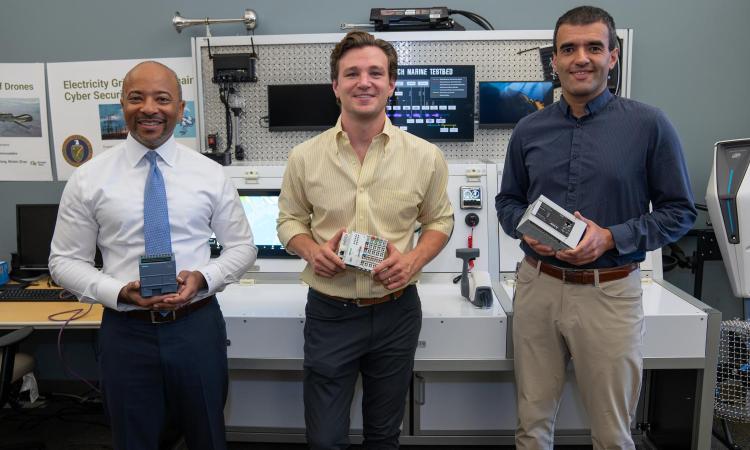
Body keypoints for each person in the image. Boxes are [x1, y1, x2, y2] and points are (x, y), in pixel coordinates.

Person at [495, 6, 696, 449]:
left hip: (610, 292)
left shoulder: (649, 125)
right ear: (555, 60)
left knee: (611, 434)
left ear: (613, 56)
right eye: (568, 48)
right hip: (537, 287)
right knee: (531, 426)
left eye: (593, 47)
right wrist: (521, 229)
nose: (580, 58)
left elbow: (680, 211)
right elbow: (507, 201)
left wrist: (610, 237)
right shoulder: (529, 130)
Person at [49, 61, 257, 450]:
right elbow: (63, 261)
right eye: (136, 98)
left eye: (162, 99)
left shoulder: (210, 174)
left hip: (196, 327)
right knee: (133, 439)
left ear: (180, 108)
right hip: (126, 332)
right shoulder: (89, 179)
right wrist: (117, 291)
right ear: (121, 106)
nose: (149, 108)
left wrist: (203, 278)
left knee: (207, 437)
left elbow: (242, 246)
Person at [277, 31, 454, 449]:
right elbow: (288, 221)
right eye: (352, 73)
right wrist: (311, 250)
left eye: (376, 72)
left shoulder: (425, 156)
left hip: (396, 312)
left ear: (391, 84)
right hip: (330, 313)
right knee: (324, 438)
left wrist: (413, 261)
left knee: (383, 435)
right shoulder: (304, 157)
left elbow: (440, 221)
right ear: (335, 86)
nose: (364, 81)